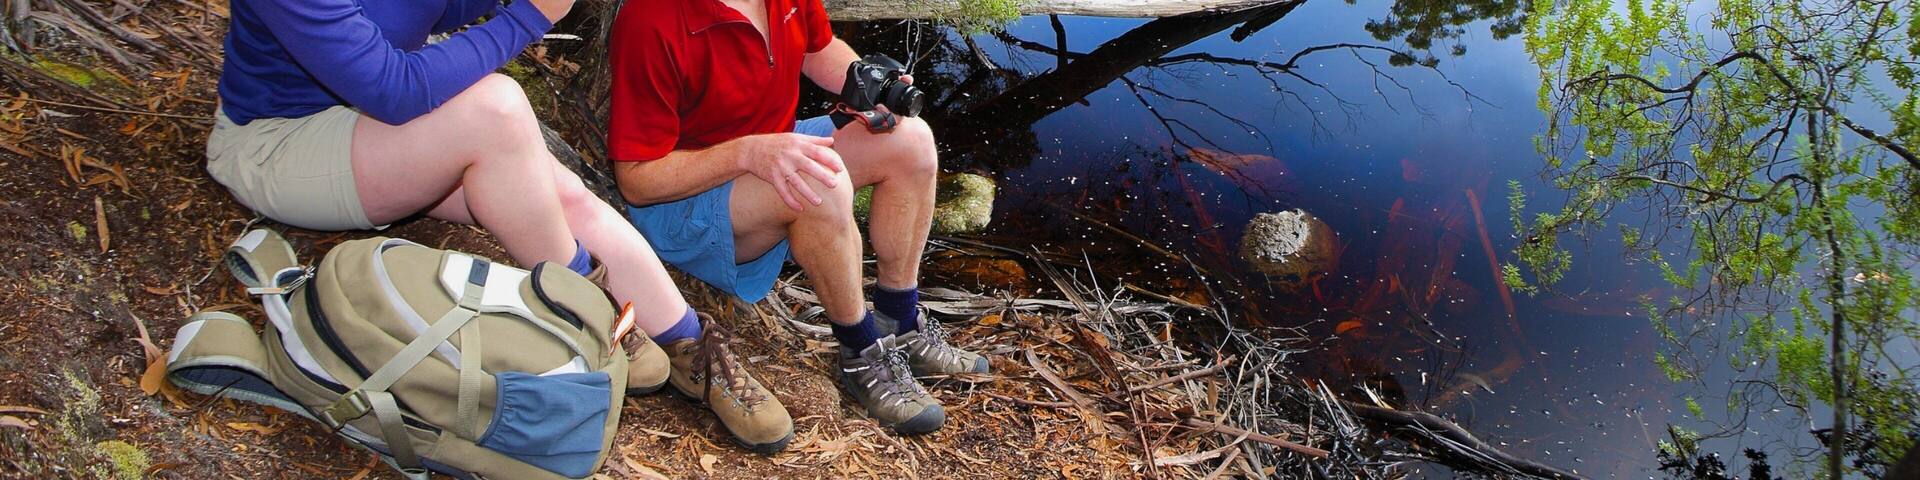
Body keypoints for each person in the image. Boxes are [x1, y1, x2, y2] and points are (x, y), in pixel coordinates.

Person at [203, 0, 746, 446]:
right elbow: (396, 91)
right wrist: (531, 15)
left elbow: (443, 9)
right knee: (497, 110)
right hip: (276, 144)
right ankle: (588, 308)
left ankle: (692, 349)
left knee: (562, 193)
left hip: (366, 125)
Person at [606, 0, 990, 447]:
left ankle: (899, 321)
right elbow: (636, 180)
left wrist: (867, 84)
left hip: (769, 148)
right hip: (684, 203)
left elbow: (818, 50)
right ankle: (862, 353)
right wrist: (747, 152)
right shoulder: (651, 18)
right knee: (818, 184)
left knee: (912, 141)